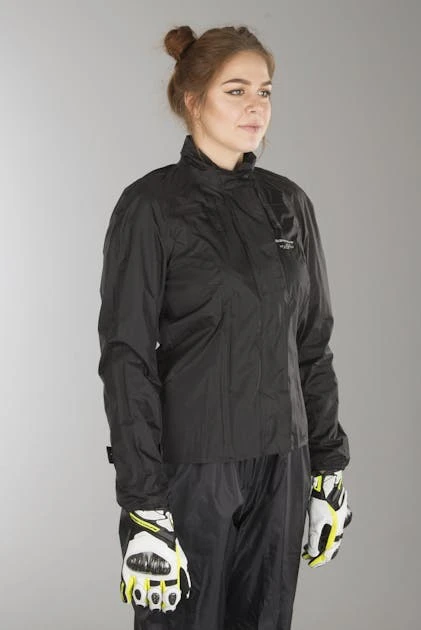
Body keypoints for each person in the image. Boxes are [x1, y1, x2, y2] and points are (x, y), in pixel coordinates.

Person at [97, 24, 352, 630]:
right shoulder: (151, 207)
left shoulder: (289, 204)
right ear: (193, 100)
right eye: (236, 91)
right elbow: (127, 358)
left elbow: (312, 344)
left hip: (282, 466)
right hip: (193, 471)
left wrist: (328, 467)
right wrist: (144, 505)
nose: (255, 106)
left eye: (264, 91)